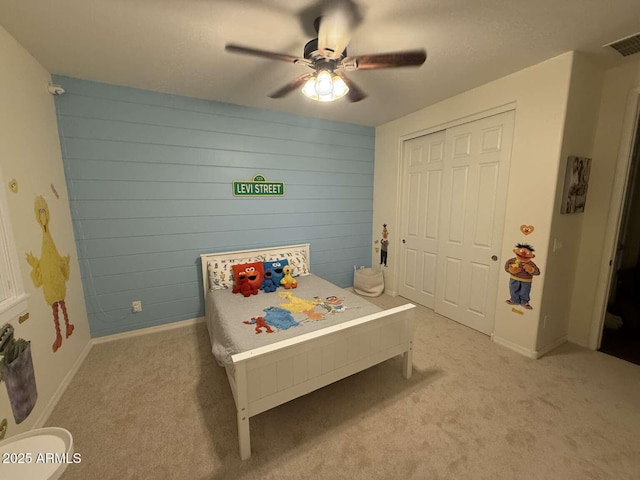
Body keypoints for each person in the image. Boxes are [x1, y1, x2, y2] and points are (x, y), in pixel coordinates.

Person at [504, 243, 540, 309]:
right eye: (521, 251)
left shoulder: (531, 263)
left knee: (525, 291)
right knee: (513, 289)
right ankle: (514, 300)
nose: (523, 254)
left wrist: (531, 270)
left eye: (526, 253)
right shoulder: (512, 261)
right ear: (515, 251)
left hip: (526, 280)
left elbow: (537, 272)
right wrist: (511, 270)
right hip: (514, 278)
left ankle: (524, 302)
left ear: (532, 256)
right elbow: (506, 268)